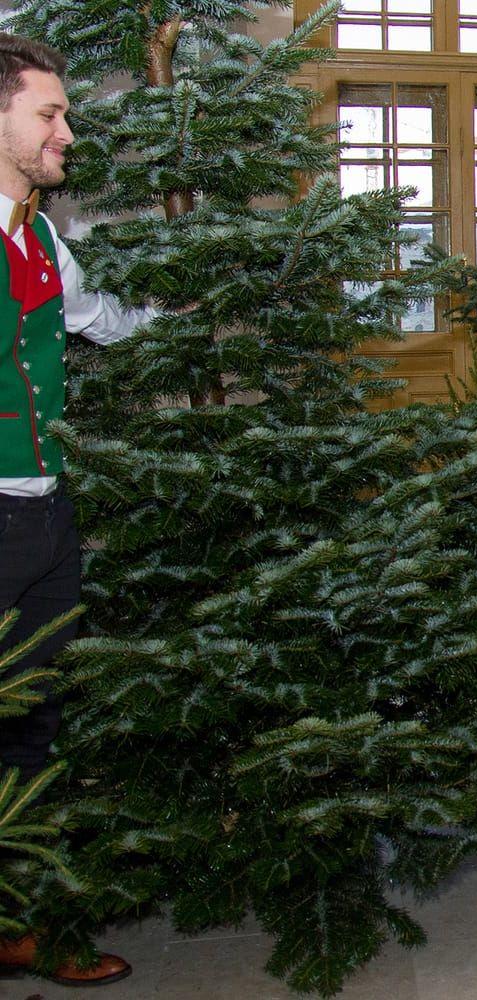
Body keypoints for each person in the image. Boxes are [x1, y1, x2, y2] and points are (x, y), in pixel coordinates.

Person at [0, 33, 153, 988]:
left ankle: (19, 924)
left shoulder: (42, 234)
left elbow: (99, 318)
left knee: (34, 727)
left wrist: (189, 304)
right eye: (51, 113)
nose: (68, 129)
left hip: (46, 518)